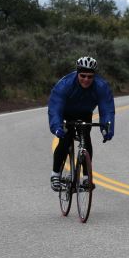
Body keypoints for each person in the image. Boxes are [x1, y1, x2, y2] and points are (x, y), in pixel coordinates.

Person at [47, 56, 115, 191]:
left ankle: (86, 178)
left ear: (94, 76)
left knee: (86, 139)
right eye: (83, 76)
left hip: (85, 113)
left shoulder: (101, 86)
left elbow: (107, 109)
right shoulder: (65, 84)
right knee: (65, 138)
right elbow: (55, 109)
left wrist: (107, 128)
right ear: (77, 73)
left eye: (90, 77)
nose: (86, 80)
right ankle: (55, 175)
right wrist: (57, 127)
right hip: (65, 112)